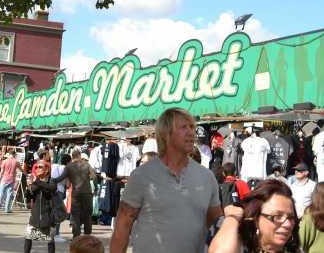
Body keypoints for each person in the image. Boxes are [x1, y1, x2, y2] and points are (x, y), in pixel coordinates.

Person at [110, 108, 222, 253]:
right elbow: (122, 228)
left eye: (192, 127)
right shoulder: (142, 176)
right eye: (183, 127)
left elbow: (216, 224)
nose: (191, 132)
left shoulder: (206, 177)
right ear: (166, 134)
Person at [209, 179, 300, 253]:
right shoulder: (241, 246)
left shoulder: (294, 250)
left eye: (291, 217)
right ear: (256, 218)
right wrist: (232, 218)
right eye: (277, 216)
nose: (288, 224)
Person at [53, 148, 95, 238]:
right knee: (87, 215)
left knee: (75, 215)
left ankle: (76, 237)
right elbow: (94, 176)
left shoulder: (69, 167)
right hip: (87, 193)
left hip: (76, 193)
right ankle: (87, 236)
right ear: (79, 156)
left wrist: (52, 180)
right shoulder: (86, 164)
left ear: (72, 157)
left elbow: (60, 178)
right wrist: (87, 179)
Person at [24, 158, 60, 253]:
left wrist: (37, 182)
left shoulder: (52, 181)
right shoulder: (36, 182)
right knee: (28, 237)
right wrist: (29, 188)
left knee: (50, 240)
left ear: (47, 170)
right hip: (35, 216)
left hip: (48, 216)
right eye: (36, 167)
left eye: (40, 167)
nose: (37, 169)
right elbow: (29, 196)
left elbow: (50, 189)